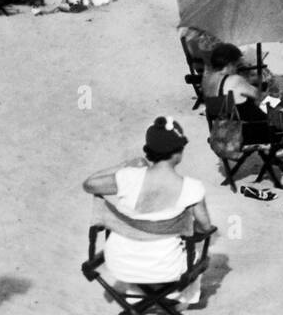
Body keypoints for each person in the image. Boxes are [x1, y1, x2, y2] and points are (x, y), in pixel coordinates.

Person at [81, 118, 211, 301]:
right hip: (166, 267)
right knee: (194, 249)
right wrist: (180, 230)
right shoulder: (192, 188)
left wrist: (125, 164)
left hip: (120, 263)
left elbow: (88, 184)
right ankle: (177, 299)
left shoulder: (128, 178)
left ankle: (139, 297)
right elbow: (205, 228)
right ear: (178, 153)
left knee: (140, 242)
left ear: (149, 151)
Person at [202, 43, 271, 142]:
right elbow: (260, 95)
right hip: (245, 132)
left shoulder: (207, 79)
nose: (237, 68)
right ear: (230, 64)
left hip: (223, 128)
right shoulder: (235, 80)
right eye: (237, 65)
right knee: (279, 112)